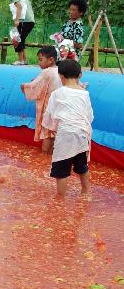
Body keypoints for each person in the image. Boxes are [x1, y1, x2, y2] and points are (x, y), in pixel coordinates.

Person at [41, 59, 93, 198]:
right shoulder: (85, 93)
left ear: (60, 76)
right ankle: (86, 192)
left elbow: (50, 114)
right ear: (80, 75)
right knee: (82, 166)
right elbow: (89, 115)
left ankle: (60, 197)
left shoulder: (58, 93)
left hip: (65, 134)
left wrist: (50, 128)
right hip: (82, 133)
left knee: (61, 166)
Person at [21, 46, 60, 153]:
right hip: (60, 109)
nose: (39, 62)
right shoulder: (60, 71)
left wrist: (24, 86)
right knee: (55, 133)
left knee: (47, 133)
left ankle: (43, 155)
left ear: (51, 59)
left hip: (49, 108)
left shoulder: (47, 72)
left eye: (40, 59)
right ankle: (51, 155)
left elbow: (34, 86)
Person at [8, 0, 36, 66]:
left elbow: (19, 7)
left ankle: (20, 60)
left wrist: (16, 20)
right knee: (21, 39)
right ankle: (24, 60)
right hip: (30, 21)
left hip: (24, 21)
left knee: (17, 39)